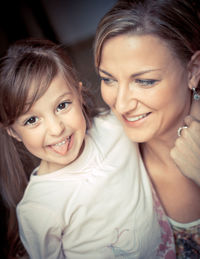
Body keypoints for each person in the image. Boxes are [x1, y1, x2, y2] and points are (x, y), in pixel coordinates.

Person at [0, 39, 170, 259]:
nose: (56, 128)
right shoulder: (37, 209)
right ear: (13, 132)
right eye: (32, 120)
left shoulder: (116, 128)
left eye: (62, 105)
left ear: (78, 95)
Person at [94, 0, 200, 257]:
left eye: (144, 81)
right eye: (108, 79)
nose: (121, 105)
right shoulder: (101, 146)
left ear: (193, 71)